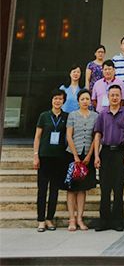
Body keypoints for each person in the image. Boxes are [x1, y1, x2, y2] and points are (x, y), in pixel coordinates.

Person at [93, 85, 124, 231]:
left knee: (118, 188)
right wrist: (96, 155)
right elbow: (97, 135)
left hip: (120, 153)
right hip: (105, 153)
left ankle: (118, 220)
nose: (115, 98)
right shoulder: (102, 114)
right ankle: (104, 220)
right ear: (108, 96)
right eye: (112, 95)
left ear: (121, 96)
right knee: (105, 188)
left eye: (117, 95)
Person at [33, 89, 69, 232]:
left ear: (63, 101)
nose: (57, 101)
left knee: (54, 190)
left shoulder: (66, 117)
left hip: (59, 158)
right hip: (44, 156)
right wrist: (35, 155)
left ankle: (49, 218)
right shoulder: (44, 116)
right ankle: (41, 220)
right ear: (52, 100)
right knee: (42, 190)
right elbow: (37, 137)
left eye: (60, 99)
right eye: (55, 98)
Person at [65, 89, 98, 231]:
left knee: (83, 188)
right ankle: (71, 219)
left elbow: (96, 137)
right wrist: (75, 156)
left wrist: (89, 155)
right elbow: (69, 136)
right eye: (82, 99)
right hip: (72, 155)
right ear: (78, 101)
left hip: (87, 157)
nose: (85, 101)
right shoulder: (72, 115)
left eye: (87, 99)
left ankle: (80, 218)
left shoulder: (95, 116)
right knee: (71, 189)